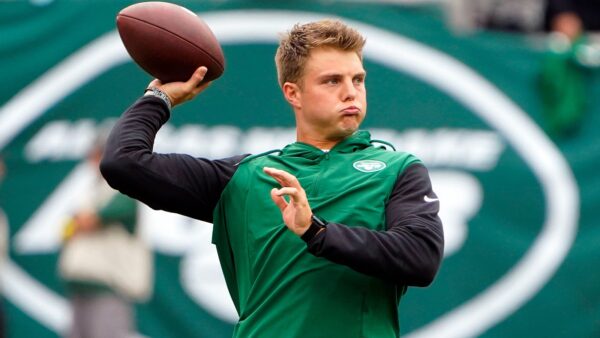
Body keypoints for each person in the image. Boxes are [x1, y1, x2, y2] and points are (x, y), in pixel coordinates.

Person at [101, 19, 443, 337]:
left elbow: (421, 258)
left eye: (358, 79)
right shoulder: (244, 177)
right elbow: (124, 163)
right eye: (332, 81)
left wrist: (316, 231)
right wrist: (158, 98)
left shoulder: (397, 169)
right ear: (292, 93)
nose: (351, 92)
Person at [58, 142, 152, 338]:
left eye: (100, 156)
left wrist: (78, 222)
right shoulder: (91, 190)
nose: (95, 162)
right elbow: (66, 229)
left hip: (110, 288)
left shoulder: (124, 188)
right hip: (81, 286)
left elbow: (89, 221)